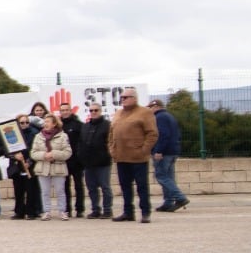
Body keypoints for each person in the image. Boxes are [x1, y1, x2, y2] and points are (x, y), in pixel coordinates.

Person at [108, 89, 158, 223]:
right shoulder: (118, 113)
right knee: (125, 186)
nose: (123, 99)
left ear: (134, 98)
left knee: (142, 186)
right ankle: (128, 212)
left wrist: (144, 150)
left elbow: (152, 134)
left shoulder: (145, 113)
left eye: (126, 97)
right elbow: (111, 133)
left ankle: (145, 212)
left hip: (138, 157)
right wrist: (112, 149)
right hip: (121, 156)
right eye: (122, 97)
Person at [149, 98, 189, 212]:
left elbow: (163, 135)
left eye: (150, 107)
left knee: (161, 176)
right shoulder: (169, 116)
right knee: (169, 177)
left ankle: (180, 198)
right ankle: (168, 202)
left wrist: (158, 151)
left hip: (164, 153)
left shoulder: (159, 117)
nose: (150, 110)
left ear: (156, 107)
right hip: (173, 151)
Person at [30, 115, 72, 220]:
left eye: (48, 121)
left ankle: (62, 211)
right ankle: (46, 211)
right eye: (45, 122)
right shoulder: (38, 136)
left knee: (60, 191)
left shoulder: (63, 136)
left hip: (58, 167)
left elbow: (68, 152)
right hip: (43, 168)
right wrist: (44, 155)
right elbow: (33, 153)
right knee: (45, 191)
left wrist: (54, 154)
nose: (46, 124)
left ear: (54, 123)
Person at [79, 103, 114, 219]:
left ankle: (107, 210)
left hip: (103, 162)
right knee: (91, 188)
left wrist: (108, 154)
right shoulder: (85, 126)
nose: (93, 112)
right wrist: (81, 156)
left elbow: (111, 142)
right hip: (88, 163)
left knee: (105, 187)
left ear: (100, 111)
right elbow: (81, 143)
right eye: (91, 110)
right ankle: (95, 209)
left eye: (96, 110)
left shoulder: (107, 125)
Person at [58, 101, 87, 217]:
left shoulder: (78, 124)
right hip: (63, 161)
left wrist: (81, 156)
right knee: (65, 186)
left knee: (78, 185)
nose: (65, 112)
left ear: (71, 111)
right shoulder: (58, 126)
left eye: (67, 110)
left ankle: (80, 209)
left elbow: (83, 142)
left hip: (77, 161)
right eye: (62, 110)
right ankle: (67, 209)